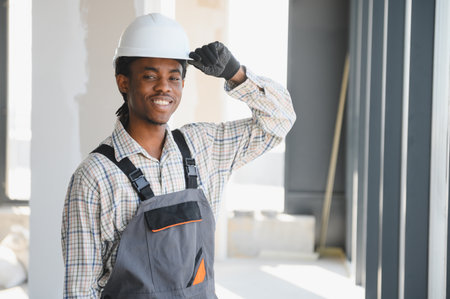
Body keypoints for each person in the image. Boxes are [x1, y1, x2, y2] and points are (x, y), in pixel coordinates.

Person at [61, 13, 296, 299]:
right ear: (123, 82)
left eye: (174, 77)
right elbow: (79, 290)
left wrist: (236, 74)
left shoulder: (204, 147)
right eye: (150, 76)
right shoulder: (94, 176)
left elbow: (280, 120)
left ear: (183, 84)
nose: (164, 87)